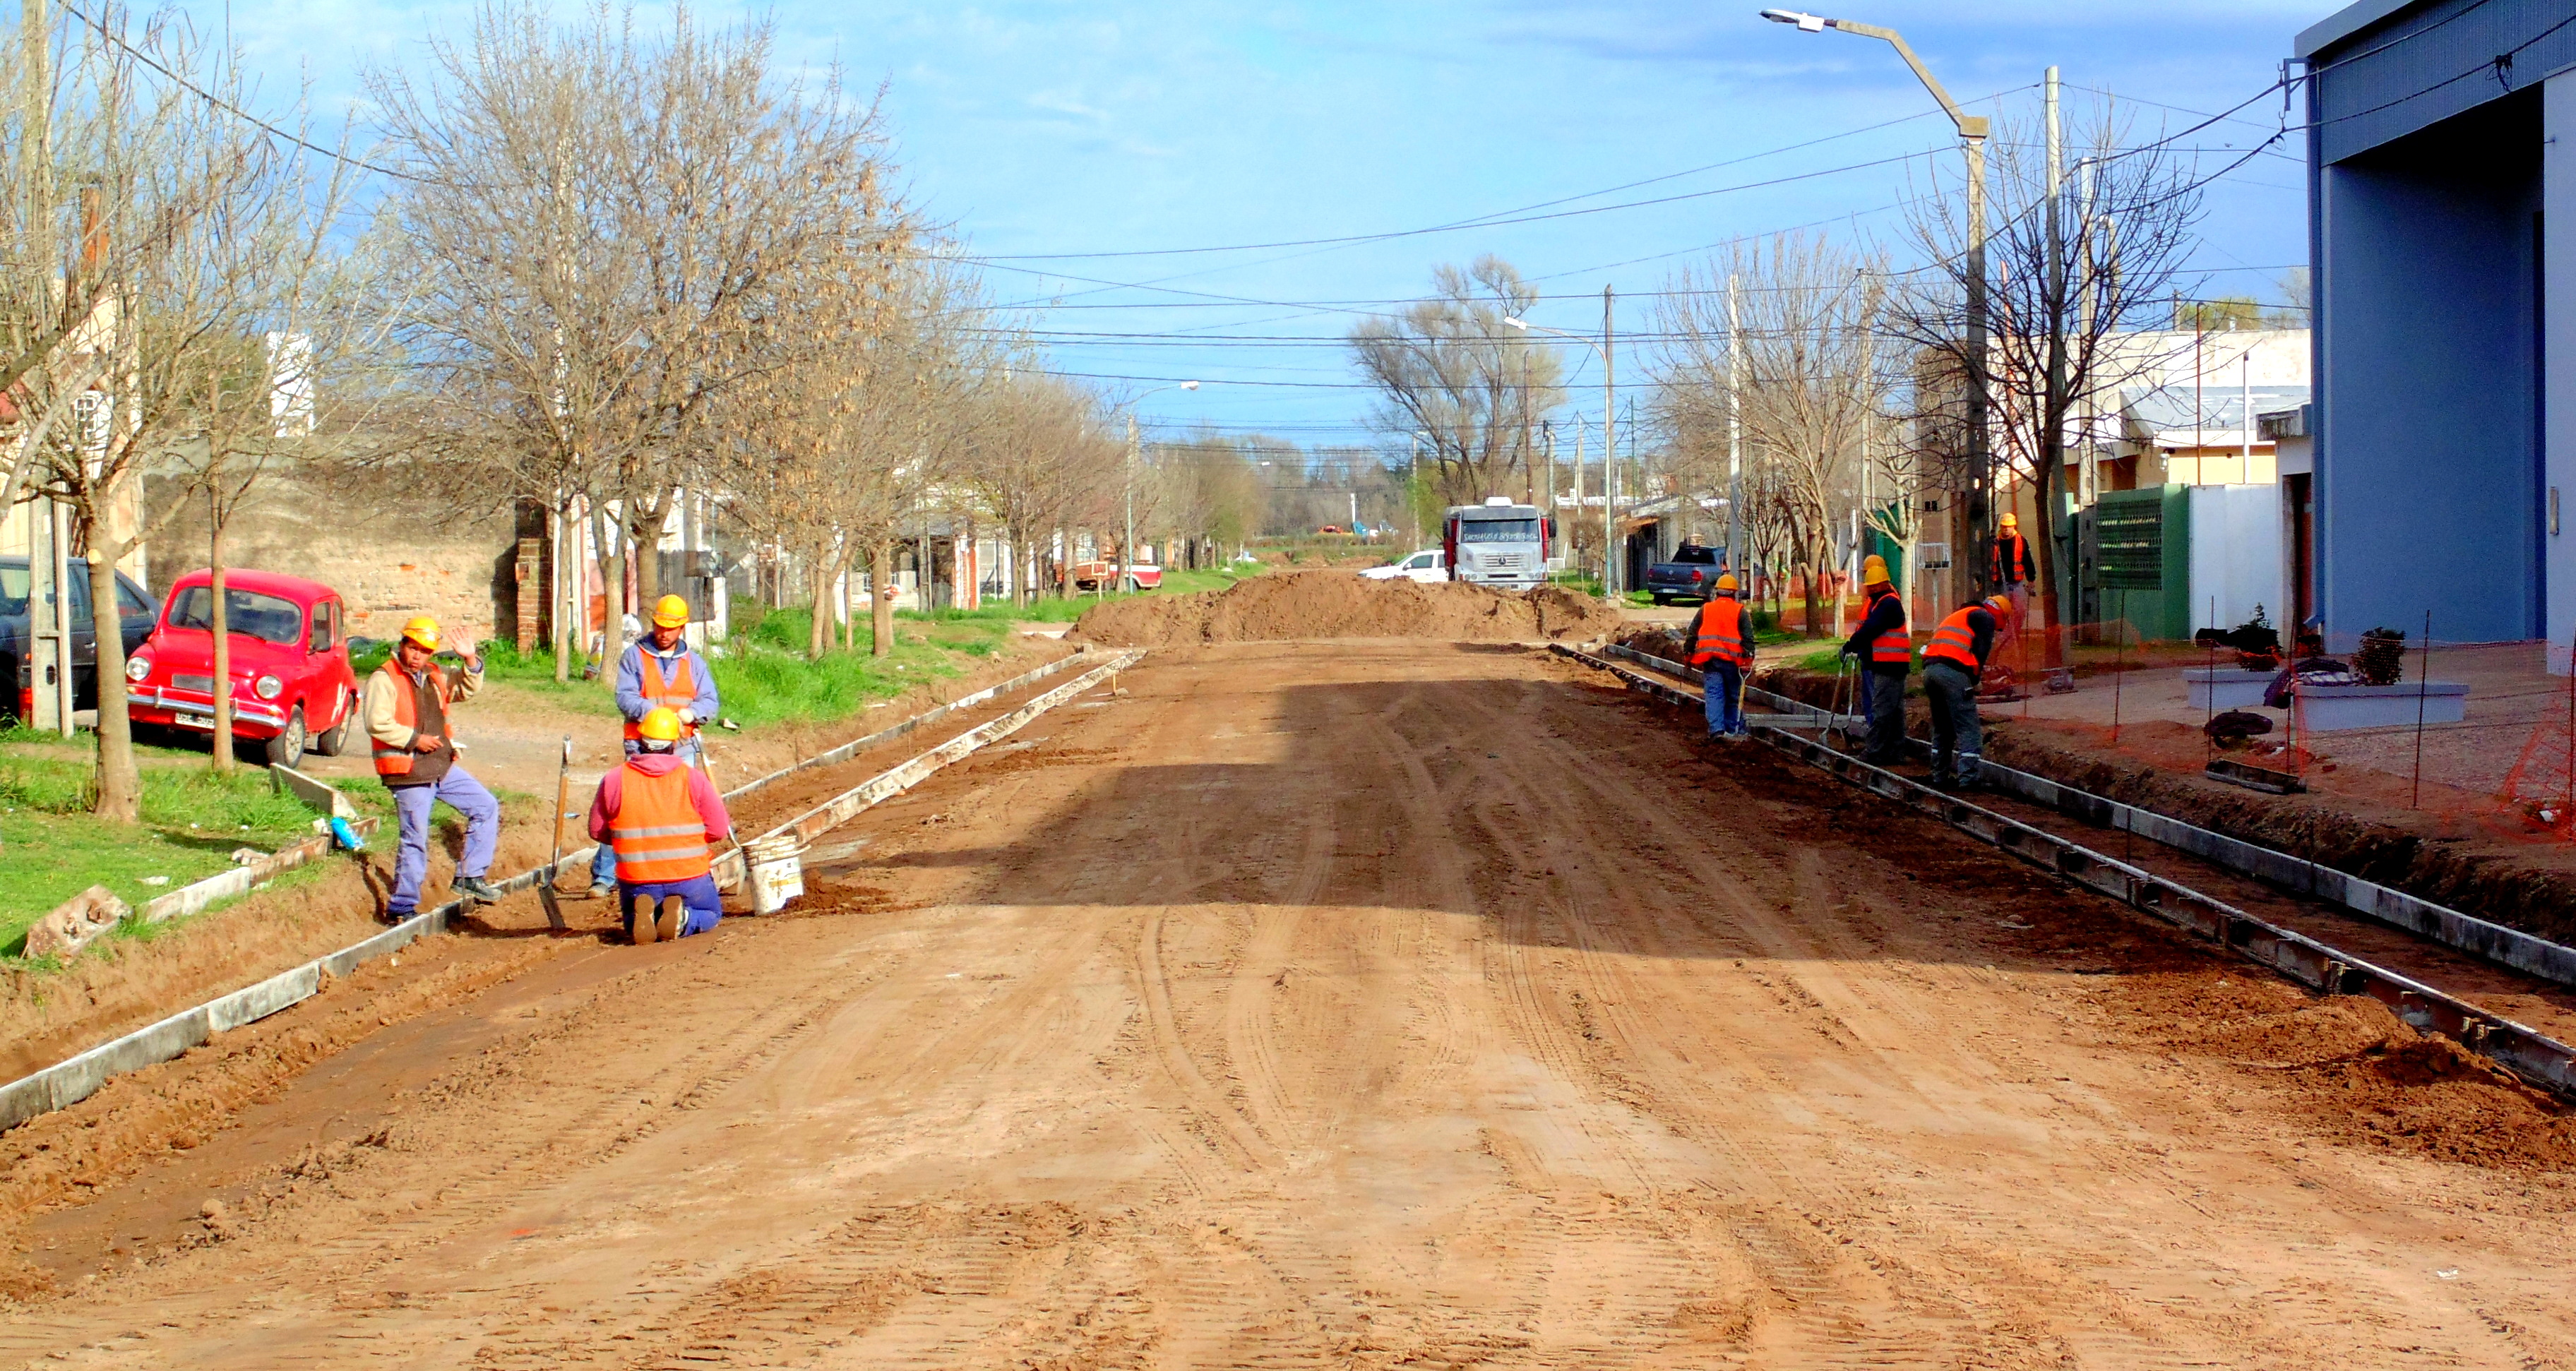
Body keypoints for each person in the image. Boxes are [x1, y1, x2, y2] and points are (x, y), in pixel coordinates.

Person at [364, 616, 501, 918]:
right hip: (408, 770)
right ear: (402, 645)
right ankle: (402, 906)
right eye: (412, 648)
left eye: (424, 651)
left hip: (440, 765)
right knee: (415, 838)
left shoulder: (435, 675)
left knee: (486, 806)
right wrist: (414, 740)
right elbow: (376, 723)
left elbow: (465, 689)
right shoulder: (384, 678)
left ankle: (470, 875)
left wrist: (470, 659)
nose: (417, 655)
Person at [589, 593, 722, 899]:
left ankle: (681, 870)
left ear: (682, 628)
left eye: (671, 628)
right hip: (642, 745)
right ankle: (606, 875)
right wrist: (657, 717)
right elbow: (625, 697)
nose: (664, 633)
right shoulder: (634, 657)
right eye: (660, 626)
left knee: (678, 812)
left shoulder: (694, 662)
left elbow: (710, 702)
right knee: (628, 810)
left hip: (682, 747)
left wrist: (692, 714)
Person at [589, 707, 735, 945]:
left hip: (638, 879)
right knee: (711, 914)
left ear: (640, 739)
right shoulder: (693, 778)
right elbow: (718, 829)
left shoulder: (614, 779)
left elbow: (597, 830)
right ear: (674, 743)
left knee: (631, 921)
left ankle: (649, 913)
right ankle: (684, 919)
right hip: (689, 876)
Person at [1921, 595, 2011, 789]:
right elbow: (1981, 651)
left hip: (1930, 671)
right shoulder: (1985, 617)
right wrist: (1976, 679)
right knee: (1968, 727)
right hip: (1952, 673)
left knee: (1943, 728)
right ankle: (1968, 779)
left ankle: (1938, 776)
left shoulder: (1960, 614)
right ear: (2000, 614)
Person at [1839, 556, 1912, 765]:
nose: (1868, 589)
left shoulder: (1888, 603)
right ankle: (1896, 752)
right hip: (1891, 664)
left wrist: (1849, 646)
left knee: (1882, 709)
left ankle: (1875, 752)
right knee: (1895, 712)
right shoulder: (1882, 601)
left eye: (1871, 586)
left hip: (1889, 664)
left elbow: (1871, 629)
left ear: (1881, 584)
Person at [1685, 573, 1753, 739]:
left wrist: (1688, 655)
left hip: (1710, 660)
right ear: (1734, 593)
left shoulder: (1706, 609)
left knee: (1714, 695)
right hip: (1733, 662)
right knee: (1733, 696)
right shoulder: (1740, 612)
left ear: (1717, 592)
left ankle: (1717, 731)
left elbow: (1692, 633)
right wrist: (1748, 661)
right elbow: (1748, 639)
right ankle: (1734, 729)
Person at [1988, 512, 2036, 649]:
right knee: (2002, 613)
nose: (2006, 529)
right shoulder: (1995, 543)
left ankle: (2012, 636)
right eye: (2004, 527)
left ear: (2014, 526)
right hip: (1999, 584)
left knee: (2019, 611)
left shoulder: (2021, 541)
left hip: (2016, 583)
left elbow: (2028, 560)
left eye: (2008, 527)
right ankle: (2003, 641)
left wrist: (2031, 579)